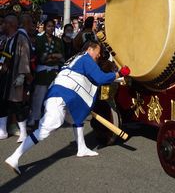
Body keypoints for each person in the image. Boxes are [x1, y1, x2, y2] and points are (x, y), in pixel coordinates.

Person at [5, 41, 131, 175]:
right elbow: (99, 79)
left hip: (60, 94)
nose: (99, 56)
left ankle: (81, 148)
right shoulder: (86, 59)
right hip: (60, 96)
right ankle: (14, 157)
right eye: (98, 53)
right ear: (90, 49)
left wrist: (116, 78)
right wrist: (119, 74)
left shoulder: (78, 59)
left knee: (77, 118)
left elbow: (92, 79)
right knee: (46, 128)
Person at [0, 14, 31, 143]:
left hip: (15, 76)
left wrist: (22, 75)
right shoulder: (7, 38)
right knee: (2, 103)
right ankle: (2, 130)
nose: (2, 26)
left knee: (17, 104)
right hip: (4, 76)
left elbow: (25, 57)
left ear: (11, 25)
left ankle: (23, 132)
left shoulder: (21, 38)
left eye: (4, 24)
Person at [28, 19, 64, 126]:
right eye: (48, 26)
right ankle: (34, 117)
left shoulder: (58, 40)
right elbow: (39, 56)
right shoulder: (39, 39)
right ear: (44, 27)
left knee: (52, 97)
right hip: (42, 71)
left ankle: (50, 118)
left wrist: (50, 56)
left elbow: (61, 56)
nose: (51, 28)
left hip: (54, 71)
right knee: (38, 96)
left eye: (52, 26)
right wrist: (53, 56)